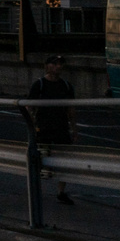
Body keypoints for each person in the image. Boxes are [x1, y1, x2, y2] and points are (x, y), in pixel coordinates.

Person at [28, 54, 78, 205]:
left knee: (64, 160)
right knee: (40, 160)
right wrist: (31, 126)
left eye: (60, 64)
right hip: (43, 128)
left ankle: (61, 192)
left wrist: (74, 129)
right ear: (47, 66)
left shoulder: (66, 85)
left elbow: (70, 109)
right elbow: (30, 107)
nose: (59, 67)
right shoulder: (40, 85)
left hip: (61, 127)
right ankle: (36, 189)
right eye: (55, 64)